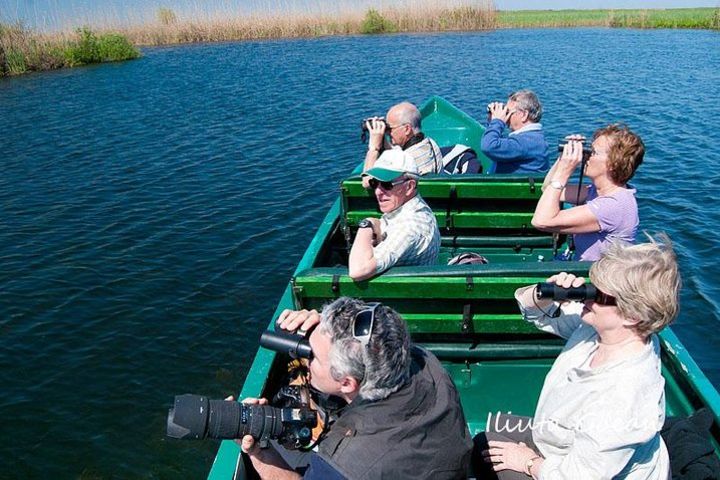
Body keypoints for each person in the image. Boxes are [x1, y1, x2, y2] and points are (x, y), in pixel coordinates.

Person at [475, 236, 679, 479]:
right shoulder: (603, 330)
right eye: (590, 288)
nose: (587, 298)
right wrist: (547, 292)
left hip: (576, 472)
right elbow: (536, 313)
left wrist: (528, 462)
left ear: (632, 315)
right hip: (561, 445)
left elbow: (580, 476)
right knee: (482, 443)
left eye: (599, 296)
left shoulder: (624, 397)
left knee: (487, 453)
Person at [239, 297, 473, 479]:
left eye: (314, 358)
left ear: (347, 383)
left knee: (283, 450)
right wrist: (326, 328)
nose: (306, 362)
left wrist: (258, 452)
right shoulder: (424, 362)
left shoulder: (349, 464)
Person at [531, 124, 644, 261]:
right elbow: (548, 189)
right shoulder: (596, 191)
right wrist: (563, 159)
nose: (585, 156)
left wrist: (565, 172)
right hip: (584, 270)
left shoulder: (612, 205)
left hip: (599, 279)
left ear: (614, 164)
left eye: (593, 152)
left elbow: (541, 221)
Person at [349, 148, 440, 281]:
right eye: (374, 183)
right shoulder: (414, 206)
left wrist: (366, 224)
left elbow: (358, 270)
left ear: (409, 187)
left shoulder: (409, 227)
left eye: (387, 184)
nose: (378, 192)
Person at [362, 101, 442, 189]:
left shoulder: (406, 162)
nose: (388, 133)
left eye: (390, 128)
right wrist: (382, 137)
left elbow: (367, 182)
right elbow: (396, 152)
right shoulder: (431, 144)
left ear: (407, 129)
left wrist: (374, 148)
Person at [480, 89, 550, 174]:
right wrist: (492, 122)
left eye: (508, 112)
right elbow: (499, 148)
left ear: (524, 115)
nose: (506, 116)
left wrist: (497, 122)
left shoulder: (525, 142)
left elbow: (488, 146)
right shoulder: (533, 139)